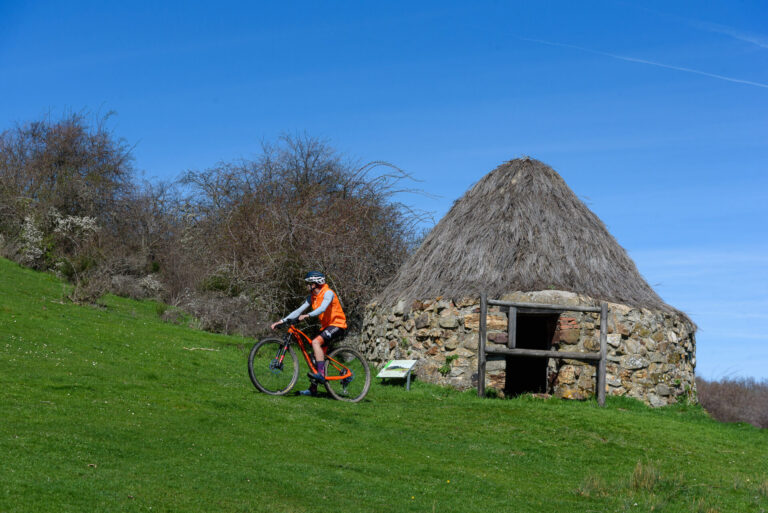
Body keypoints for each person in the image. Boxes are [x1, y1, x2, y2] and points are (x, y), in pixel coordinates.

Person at [270, 271, 348, 396]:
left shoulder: (328, 293)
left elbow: (322, 308)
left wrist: (307, 315)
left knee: (316, 342)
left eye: (308, 283)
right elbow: (299, 310)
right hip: (326, 327)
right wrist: (282, 321)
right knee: (313, 358)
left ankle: (321, 374)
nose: (307, 286)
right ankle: (313, 389)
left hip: (337, 325)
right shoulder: (312, 297)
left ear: (316, 283)